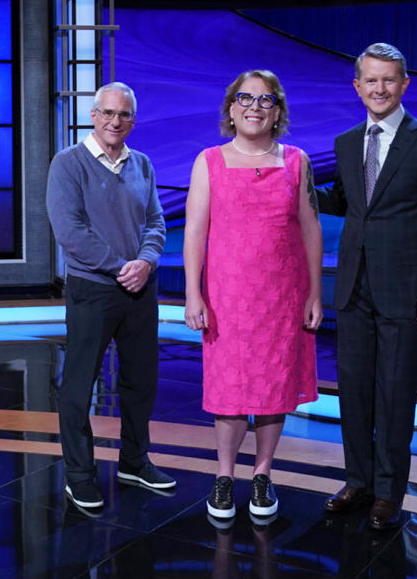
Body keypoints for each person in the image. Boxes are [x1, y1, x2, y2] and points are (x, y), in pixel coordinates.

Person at [316, 43, 417, 530]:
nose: (379, 88)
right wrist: (283, 178)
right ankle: (359, 480)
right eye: (370, 80)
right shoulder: (346, 142)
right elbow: (346, 201)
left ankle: (390, 491)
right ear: (357, 87)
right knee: (353, 391)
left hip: (405, 290)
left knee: (396, 395)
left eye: (389, 79)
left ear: (404, 84)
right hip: (353, 287)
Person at [183, 70, 323, 521]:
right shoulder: (208, 160)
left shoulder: (297, 161)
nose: (254, 107)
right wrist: (193, 294)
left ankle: (262, 475)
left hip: (283, 297)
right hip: (227, 299)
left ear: (277, 111)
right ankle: (224, 477)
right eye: (245, 98)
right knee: (229, 392)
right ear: (230, 108)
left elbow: (310, 228)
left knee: (274, 390)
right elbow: (195, 231)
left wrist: (315, 293)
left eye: (265, 101)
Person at [46, 81, 175, 514]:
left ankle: (134, 462)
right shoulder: (68, 164)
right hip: (94, 289)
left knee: (141, 382)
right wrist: (122, 266)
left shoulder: (143, 164)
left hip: (141, 287)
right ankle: (79, 475)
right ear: (93, 115)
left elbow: (156, 221)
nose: (115, 121)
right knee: (79, 386)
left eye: (124, 115)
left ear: (132, 121)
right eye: (108, 113)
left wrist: (146, 261)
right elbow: (70, 232)